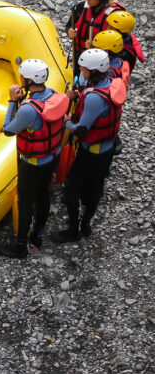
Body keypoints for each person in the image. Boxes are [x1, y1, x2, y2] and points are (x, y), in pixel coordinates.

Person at [51, 49, 126, 243]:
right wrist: (77, 97)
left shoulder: (94, 97)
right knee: (95, 187)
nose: (82, 72)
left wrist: (66, 121)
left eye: (84, 69)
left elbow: (82, 130)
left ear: (93, 71)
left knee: (70, 189)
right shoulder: (111, 84)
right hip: (107, 150)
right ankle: (86, 226)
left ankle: (73, 230)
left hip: (90, 154)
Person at [0, 59, 68, 258]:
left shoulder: (29, 109)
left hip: (32, 165)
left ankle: (20, 247)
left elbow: (8, 130)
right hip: (52, 157)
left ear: (28, 80)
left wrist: (13, 101)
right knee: (43, 197)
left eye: (22, 77)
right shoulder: (54, 95)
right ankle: (37, 236)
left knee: (25, 203)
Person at [64, 0, 125, 75]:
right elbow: (68, 26)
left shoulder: (114, 16)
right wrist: (69, 32)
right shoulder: (81, 7)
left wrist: (95, 47)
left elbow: (118, 45)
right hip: (80, 55)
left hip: (100, 61)